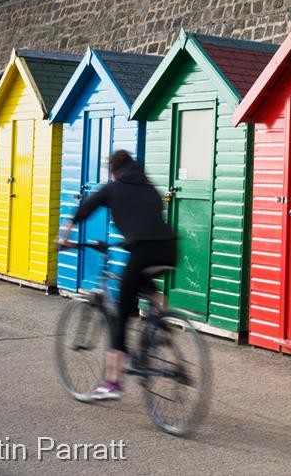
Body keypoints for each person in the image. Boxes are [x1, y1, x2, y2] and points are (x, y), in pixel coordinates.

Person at [59, 149, 177, 400]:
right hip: (169, 247)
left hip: (143, 250)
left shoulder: (113, 188)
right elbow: (150, 216)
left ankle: (112, 383)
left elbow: (85, 208)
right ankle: (162, 321)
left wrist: (65, 235)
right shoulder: (149, 189)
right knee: (144, 283)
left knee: (121, 315)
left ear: (113, 171)